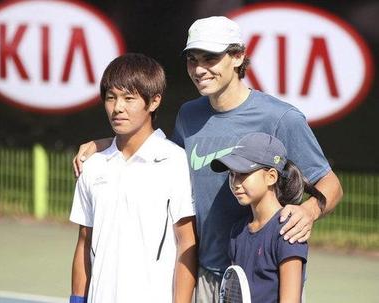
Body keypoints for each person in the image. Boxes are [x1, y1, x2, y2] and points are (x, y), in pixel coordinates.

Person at [72, 16, 343, 302]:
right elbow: (159, 150)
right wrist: (105, 144)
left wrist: (309, 211)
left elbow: (331, 184)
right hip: (205, 274)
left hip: (262, 276)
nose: (199, 69)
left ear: (238, 57)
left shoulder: (281, 118)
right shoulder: (189, 115)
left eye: (210, 58)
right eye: (193, 60)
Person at [69, 53, 197, 303]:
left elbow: (187, 245)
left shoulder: (176, 162)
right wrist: (76, 300)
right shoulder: (92, 166)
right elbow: (84, 243)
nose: (118, 108)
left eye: (129, 98)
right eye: (110, 98)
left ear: (154, 101)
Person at [211, 132, 326, 302]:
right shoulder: (238, 232)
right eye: (232, 174)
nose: (235, 182)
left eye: (243, 173)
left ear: (271, 176)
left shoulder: (288, 231)